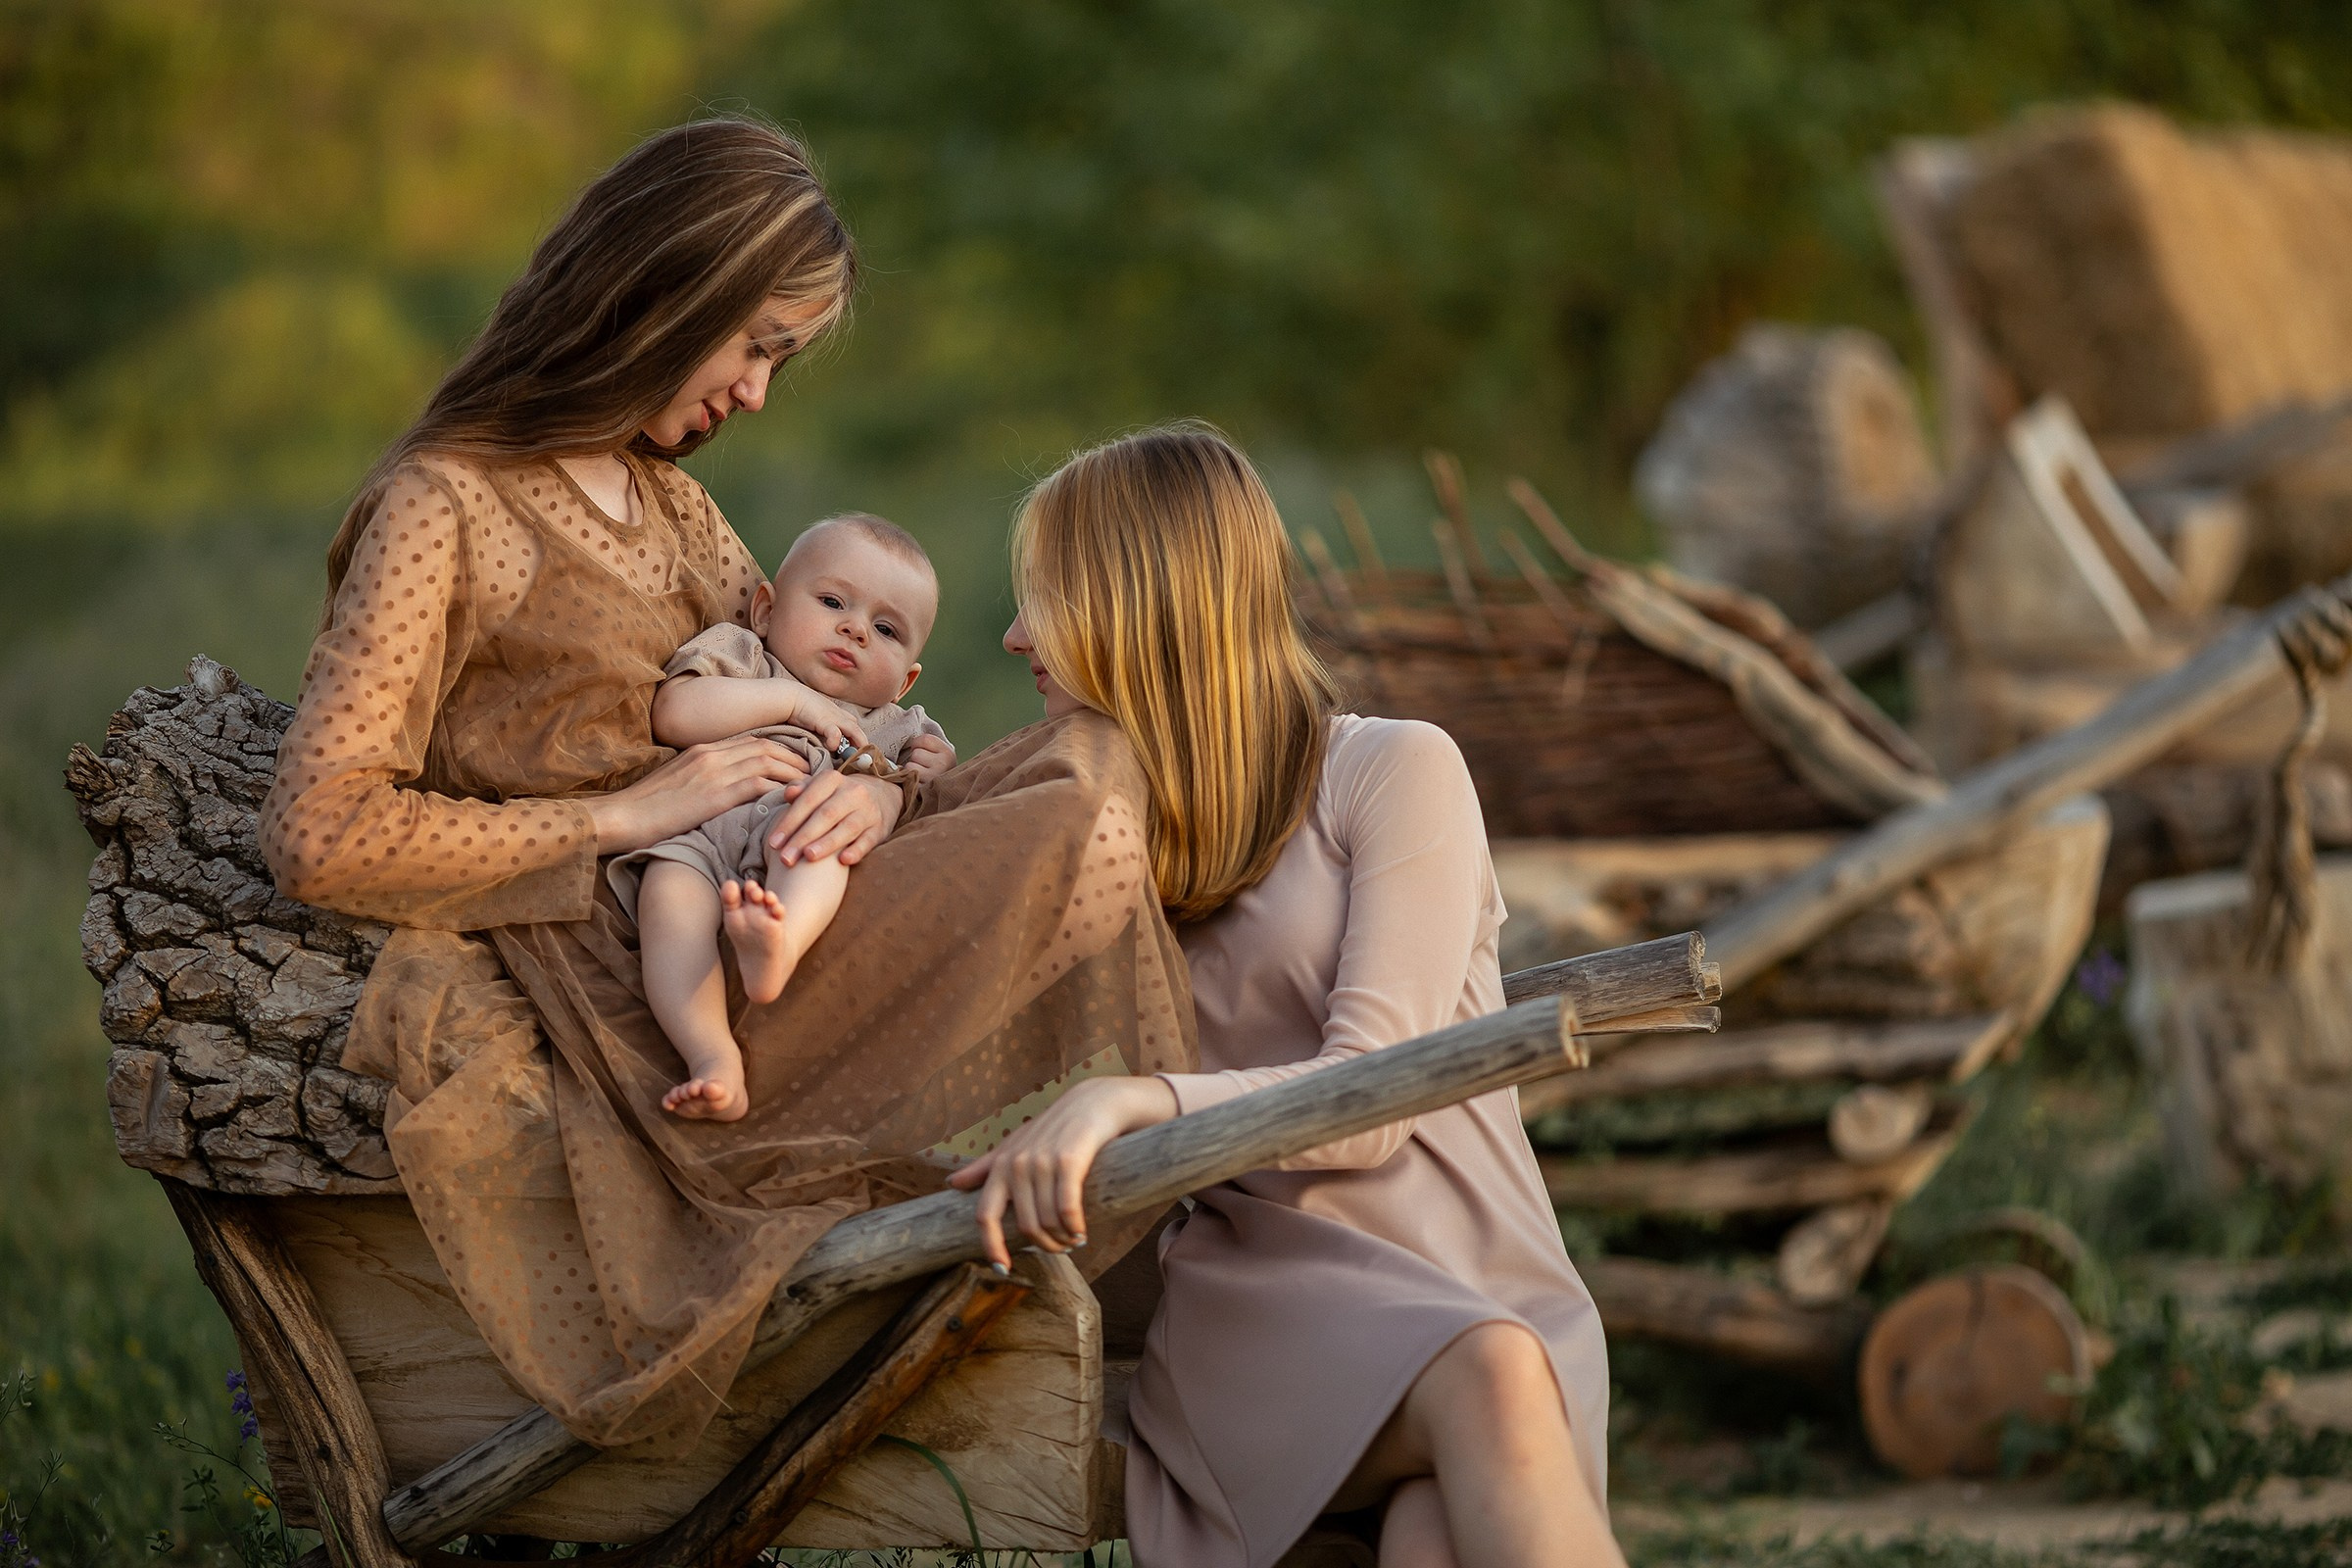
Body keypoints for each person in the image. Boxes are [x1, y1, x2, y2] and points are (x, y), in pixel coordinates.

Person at [260, 117, 1193, 1455]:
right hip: (641, 962)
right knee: (1080, 814)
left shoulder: (678, 510)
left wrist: (872, 792)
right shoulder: (448, 507)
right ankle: (1174, 1231)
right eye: (755, 342)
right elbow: (319, 829)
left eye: (782, 360)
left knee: (1099, 755)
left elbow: (827, 707)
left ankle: (1165, 1218)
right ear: (661, 286)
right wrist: (624, 815)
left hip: (780, 898)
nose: (758, 394)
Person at [954, 423, 1628, 1568]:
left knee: (1435, 1527)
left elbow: (1372, 1099)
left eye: (1049, 597)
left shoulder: (1393, 771)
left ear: (1145, 604)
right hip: (1272, 1313)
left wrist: (1135, 1100)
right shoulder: (1103, 839)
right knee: (1492, 1374)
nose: (1017, 634)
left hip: (1481, 1272)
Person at [608, 513, 956, 1121]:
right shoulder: (743, 656)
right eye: (831, 602)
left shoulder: (899, 726)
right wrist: (793, 699)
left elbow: (933, 803)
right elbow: (674, 713)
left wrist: (939, 765)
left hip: (799, 831)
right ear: (765, 610)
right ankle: (711, 1054)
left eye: (885, 629)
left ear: (905, 680)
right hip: (701, 833)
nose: (854, 630)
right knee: (669, 903)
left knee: (820, 854)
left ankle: (780, 943)